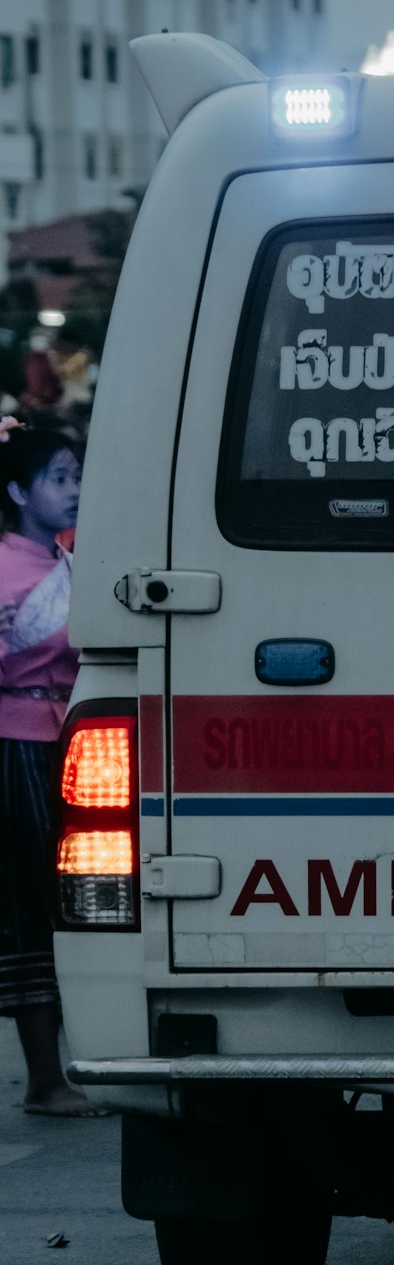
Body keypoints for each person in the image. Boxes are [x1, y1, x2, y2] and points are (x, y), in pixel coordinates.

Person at [0, 416, 104, 1114]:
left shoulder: (67, 563)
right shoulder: (10, 566)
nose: (73, 491)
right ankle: (44, 1078)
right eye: (58, 479)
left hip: (61, 735)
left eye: (76, 478)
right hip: (15, 742)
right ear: (16, 489)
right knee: (32, 900)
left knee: (68, 896)